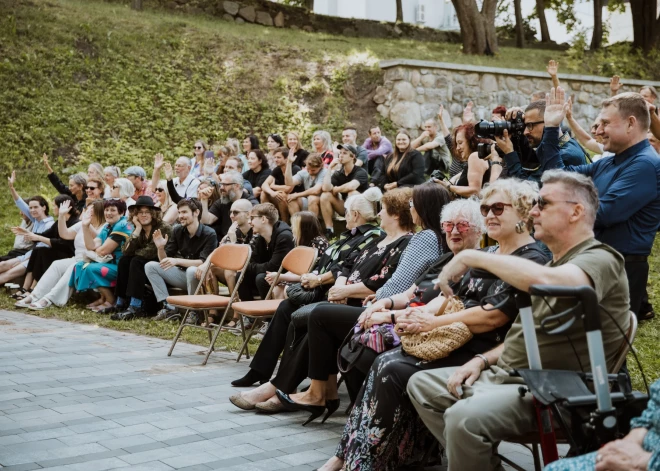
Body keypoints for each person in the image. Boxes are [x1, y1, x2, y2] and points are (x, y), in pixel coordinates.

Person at [406, 170, 631, 471]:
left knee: (463, 419)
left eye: (544, 203)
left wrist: (472, 257)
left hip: (554, 390)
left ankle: (470, 454)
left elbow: (558, 282)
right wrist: (481, 361)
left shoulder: (600, 258)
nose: (534, 211)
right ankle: (479, 462)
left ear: (576, 211)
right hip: (509, 376)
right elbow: (525, 332)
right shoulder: (553, 262)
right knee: (421, 384)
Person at [318, 180, 549, 471]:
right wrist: (410, 318)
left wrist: (431, 321)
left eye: (499, 208)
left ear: (524, 213)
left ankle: (369, 462)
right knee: (384, 360)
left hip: (489, 350)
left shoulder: (530, 259)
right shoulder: (488, 256)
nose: (490, 214)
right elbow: (448, 297)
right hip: (456, 339)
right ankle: (351, 456)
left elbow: (494, 316)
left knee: (392, 367)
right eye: (486, 208)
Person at [229, 188, 386, 389]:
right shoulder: (348, 236)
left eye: (346, 212)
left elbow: (348, 267)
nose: (344, 216)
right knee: (285, 307)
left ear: (355, 215)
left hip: (336, 294)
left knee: (294, 312)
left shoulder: (372, 237)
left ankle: (284, 381)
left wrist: (318, 279)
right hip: (319, 287)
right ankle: (260, 371)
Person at [542, 88, 660, 322]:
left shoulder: (645, 164)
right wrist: (551, 128)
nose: (599, 131)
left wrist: (558, 208)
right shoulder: (611, 162)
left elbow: (602, 214)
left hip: (620, 270)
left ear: (631, 123)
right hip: (596, 262)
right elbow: (557, 179)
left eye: (605, 123)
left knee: (605, 351)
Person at [545, 378, 660, 471]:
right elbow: (652, 410)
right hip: (639, 447)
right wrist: (624, 447)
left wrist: (641, 461)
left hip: (649, 462)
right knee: (555, 469)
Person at [21, 200, 105, 310]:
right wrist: (61, 215)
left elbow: (96, 241)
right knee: (57, 264)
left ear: (97, 212)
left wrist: (86, 225)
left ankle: (49, 299)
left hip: (91, 261)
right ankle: (34, 296)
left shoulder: (105, 227)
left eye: (89, 209)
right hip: (77, 258)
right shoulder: (81, 224)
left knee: (72, 268)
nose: (85, 211)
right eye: (86, 209)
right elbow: (64, 234)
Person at [147, 199, 217, 321]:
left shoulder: (209, 233)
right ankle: (168, 308)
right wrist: (160, 248)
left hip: (201, 278)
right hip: (183, 276)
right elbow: (164, 261)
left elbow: (203, 262)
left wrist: (177, 261)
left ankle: (194, 312)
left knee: (191, 270)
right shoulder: (177, 230)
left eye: (184, 212)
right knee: (150, 266)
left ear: (196, 213)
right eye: (179, 212)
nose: (180, 216)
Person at [110, 196, 173, 320]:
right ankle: (120, 303)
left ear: (153, 214)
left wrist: (135, 251)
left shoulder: (163, 228)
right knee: (124, 261)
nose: (143, 215)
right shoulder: (139, 229)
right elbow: (126, 251)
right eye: (140, 212)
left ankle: (135, 306)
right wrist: (138, 229)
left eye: (147, 212)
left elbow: (150, 252)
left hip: (165, 265)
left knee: (136, 261)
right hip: (145, 265)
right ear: (135, 215)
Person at [69, 199, 133, 313]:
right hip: (108, 263)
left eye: (113, 210)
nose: (108, 213)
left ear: (122, 212)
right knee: (79, 265)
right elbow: (91, 246)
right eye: (106, 210)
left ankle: (110, 299)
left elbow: (103, 251)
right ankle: (103, 298)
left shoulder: (123, 225)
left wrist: (97, 249)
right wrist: (85, 226)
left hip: (122, 267)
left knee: (89, 268)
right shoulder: (108, 226)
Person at [18, 195, 81, 297]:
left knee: (43, 252)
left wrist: (39, 238)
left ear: (62, 207)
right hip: (59, 252)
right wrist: (29, 234)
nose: (52, 208)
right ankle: (25, 288)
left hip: (69, 255)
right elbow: (45, 235)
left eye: (54, 205)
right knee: (37, 250)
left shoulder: (75, 222)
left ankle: (33, 289)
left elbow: (63, 244)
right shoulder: (58, 222)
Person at [232, 203, 295, 303]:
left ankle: (268, 316)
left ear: (263, 219)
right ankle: (248, 314)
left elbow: (274, 267)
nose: (249, 222)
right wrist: (249, 267)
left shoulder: (284, 237)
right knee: (242, 275)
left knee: (261, 278)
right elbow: (251, 261)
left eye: (252, 218)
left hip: (286, 276)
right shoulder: (261, 237)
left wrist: (250, 267)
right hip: (268, 275)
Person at [1, 173, 54, 287]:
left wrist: (21, 261)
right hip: (25, 256)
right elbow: (20, 203)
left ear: (44, 207)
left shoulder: (49, 224)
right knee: (3, 264)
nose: (32, 210)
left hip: (33, 259)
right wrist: (11, 187)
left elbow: (42, 250)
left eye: (36, 207)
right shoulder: (36, 220)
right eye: (30, 208)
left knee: (8, 273)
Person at [266, 211, 328, 300]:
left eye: (294, 226)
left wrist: (281, 276)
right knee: (277, 289)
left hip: (314, 279)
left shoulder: (318, 243)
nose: (291, 228)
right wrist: (278, 277)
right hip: (301, 277)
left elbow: (311, 273)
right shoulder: (302, 241)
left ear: (304, 228)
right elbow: (296, 269)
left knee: (288, 289)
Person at [320, 144, 370, 239]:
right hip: (346, 208)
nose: (341, 156)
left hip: (363, 210)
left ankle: (355, 231)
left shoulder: (360, 171)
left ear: (353, 157)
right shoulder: (339, 173)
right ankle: (329, 230)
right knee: (325, 195)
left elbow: (352, 186)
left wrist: (336, 189)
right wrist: (330, 168)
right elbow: (325, 188)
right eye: (340, 153)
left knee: (353, 193)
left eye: (345, 153)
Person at [439, 142, 504, 198]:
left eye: (460, 143)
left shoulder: (475, 156)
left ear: (471, 142)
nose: (457, 148)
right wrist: (453, 179)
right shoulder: (479, 158)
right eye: (456, 144)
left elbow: (474, 191)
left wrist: (448, 187)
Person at [200, 171, 251, 241]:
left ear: (236, 186)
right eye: (221, 184)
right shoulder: (223, 200)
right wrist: (204, 199)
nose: (221, 187)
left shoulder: (250, 202)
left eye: (225, 185)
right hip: (223, 240)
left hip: (242, 242)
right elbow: (206, 220)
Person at [260, 147, 301, 222]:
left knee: (281, 194)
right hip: (283, 198)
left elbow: (288, 189)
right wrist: (272, 192)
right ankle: (267, 219)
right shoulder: (277, 169)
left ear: (286, 159)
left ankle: (284, 222)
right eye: (275, 157)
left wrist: (273, 186)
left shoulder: (295, 169)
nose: (275, 160)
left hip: (295, 198)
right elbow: (264, 185)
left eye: (278, 157)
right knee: (264, 193)